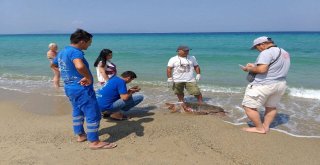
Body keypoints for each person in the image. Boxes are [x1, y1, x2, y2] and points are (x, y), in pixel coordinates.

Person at [51, 29, 117, 149]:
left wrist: (67, 74)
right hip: (82, 88)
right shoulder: (76, 52)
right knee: (93, 113)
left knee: (78, 110)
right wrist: (88, 77)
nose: (90, 44)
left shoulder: (62, 52)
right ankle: (94, 142)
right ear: (82, 41)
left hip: (69, 87)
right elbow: (80, 66)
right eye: (89, 42)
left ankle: (80, 135)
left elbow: (53, 64)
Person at [240, 36, 290, 134]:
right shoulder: (284, 52)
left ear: (262, 44)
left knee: (248, 106)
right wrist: (255, 65)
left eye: (256, 47)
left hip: (263, 84)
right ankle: (265, 127)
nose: (257, 50)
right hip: (280, 84)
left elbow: (262, 70)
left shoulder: (266, 52)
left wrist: (248, 69)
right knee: (271, 106)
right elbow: (273, 67)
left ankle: (259, 128)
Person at [167, 45, 203, 112]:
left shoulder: (192, 58)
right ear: (179, 51)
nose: (187, 51)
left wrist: (198, 74)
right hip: (177, 79)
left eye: (188, 50)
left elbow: (196, 66)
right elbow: (169, 69)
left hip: (190, 79)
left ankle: (201, 103)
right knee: (179, 92)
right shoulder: (173, 59)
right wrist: (169, 78)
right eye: (185, 50)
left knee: (196, 92)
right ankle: (182, 104)